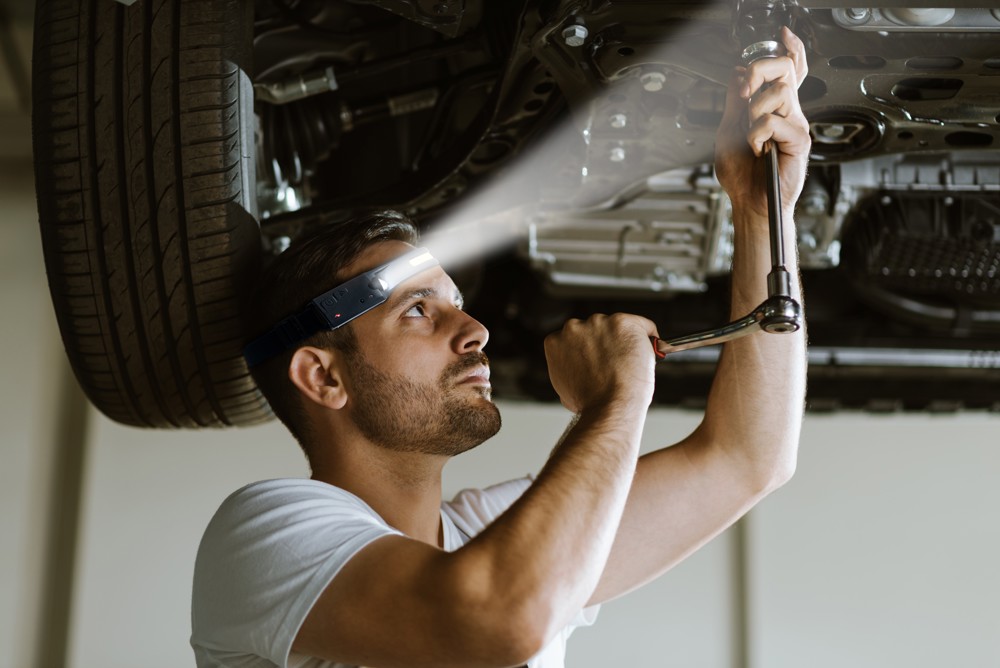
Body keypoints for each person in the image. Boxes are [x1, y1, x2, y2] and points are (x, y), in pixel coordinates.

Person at [191, 26, 811, 668]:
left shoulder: (499, 535)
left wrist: (762, 211)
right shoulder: (267, 532)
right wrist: (614, 401)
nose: (475, 331)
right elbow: (498, 619)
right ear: (323, 378)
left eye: (457, 304)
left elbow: (748, 456)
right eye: (418, 311)